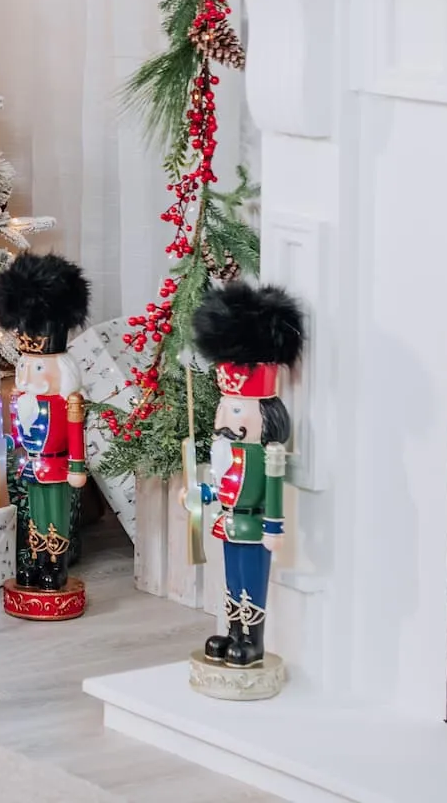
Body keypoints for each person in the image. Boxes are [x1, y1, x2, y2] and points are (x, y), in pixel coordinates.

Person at [191, 281, 307, 669]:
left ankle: (252, 639)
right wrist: (202, 495)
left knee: (252, 582)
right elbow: (219, 484)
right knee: (230, 579)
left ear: (267, 418)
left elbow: (272, 491)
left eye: (235, 412)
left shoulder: (266, 455)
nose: (224, 420)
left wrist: (275, 526)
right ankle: (232, 628)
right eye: (225, 409)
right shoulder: (223, 450)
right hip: (228, 525)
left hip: (256, 528)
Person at [0, 254, 90, 614]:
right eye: (26, 366)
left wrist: (78, 465)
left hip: (58, 467)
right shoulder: (23, 400)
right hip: (30, 468)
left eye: (39, 367)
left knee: (55, 514)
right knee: (33, 512)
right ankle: (35, 557)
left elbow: (75, 434)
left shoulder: (67, 403)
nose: (30, 375)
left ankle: (55, 564)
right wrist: (1, 443)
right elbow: (15, 432)